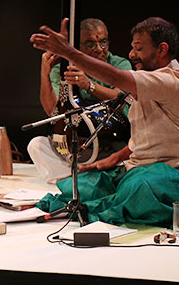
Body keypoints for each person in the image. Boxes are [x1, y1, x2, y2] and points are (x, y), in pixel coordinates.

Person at [30, 17, 179, 226]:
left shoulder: (174, 79)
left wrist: (69, 53)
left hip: (175, 174)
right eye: (132, 48)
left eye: (139, 48)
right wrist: (112, 159)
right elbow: (145, 136)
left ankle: (106, 205)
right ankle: (106, 200)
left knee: (138, 188)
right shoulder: (145, 76)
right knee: (78, 188)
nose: (132, 54)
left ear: (161, 50)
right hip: (136, 168)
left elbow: (115, 78)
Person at [29, 18, 131, 183]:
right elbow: (52, 111)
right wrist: (44, 73)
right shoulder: (65, 68)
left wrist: (88, 85)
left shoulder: (119, 64)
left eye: (103, 42)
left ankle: (75, 180)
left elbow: (122, 97)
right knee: (36, 145)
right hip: (83, 146)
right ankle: (77, 180)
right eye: (90, 44)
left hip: (113, 144)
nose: (99, 49)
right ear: (77, 47)